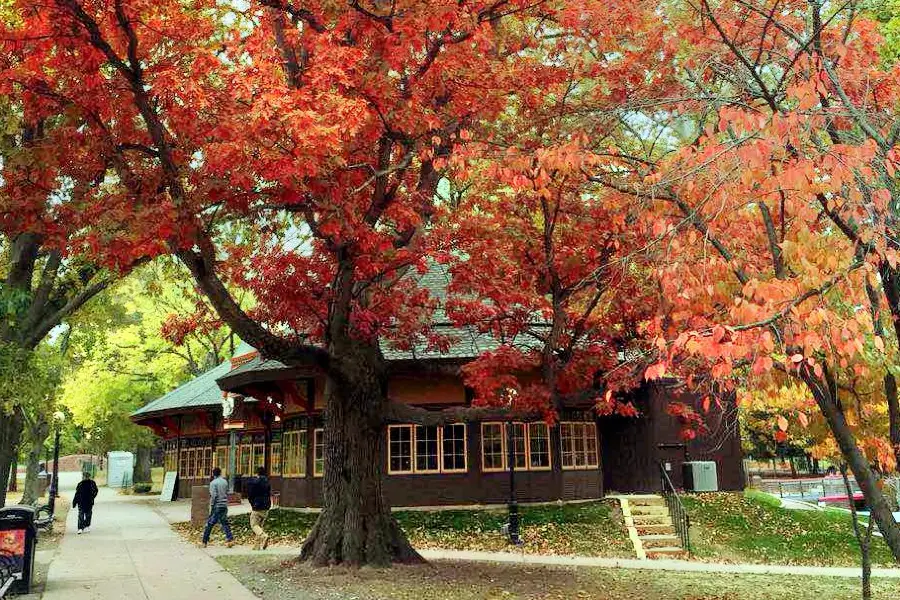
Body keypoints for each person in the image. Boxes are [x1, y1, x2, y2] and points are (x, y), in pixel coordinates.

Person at [202, 467, 234, 548]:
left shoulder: (213, 483)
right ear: (220, 473)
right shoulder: (225, 482)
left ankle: (204, 542)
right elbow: (226, 492)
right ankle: (230, 539)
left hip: (217, 505)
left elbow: (214, 496)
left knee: (210, 523)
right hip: (224, 505)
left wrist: (212, 506)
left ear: (213, 474)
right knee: (224, 522)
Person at [246, 467, 272, 550]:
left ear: (257, 473)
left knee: (254, 525)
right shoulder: (267, 482)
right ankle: (256, 546)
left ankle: (264, 536)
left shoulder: (255, 482)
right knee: (260, 526)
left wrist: (252, 503)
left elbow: (250, 495)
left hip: (257, 506)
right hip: (266, 506)